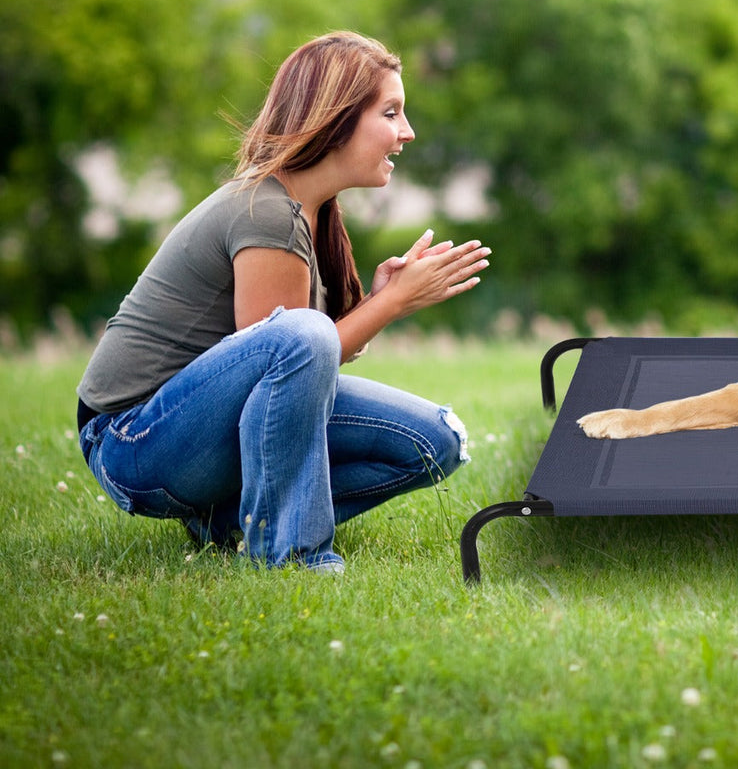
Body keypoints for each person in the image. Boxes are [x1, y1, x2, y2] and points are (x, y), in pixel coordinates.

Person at [76, 30, 490, 573]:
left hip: (194, 431)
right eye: (390, 113)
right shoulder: (267, 210)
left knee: (438, 440)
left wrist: (385, 299)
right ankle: (291, 553)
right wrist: (389, 306)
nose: (406, 133)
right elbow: (286, 353)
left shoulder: (307, 210)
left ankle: (231, 522)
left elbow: (293, 373)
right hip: (133, 440)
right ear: (337, 119)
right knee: (303, 334)